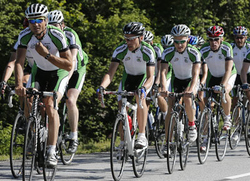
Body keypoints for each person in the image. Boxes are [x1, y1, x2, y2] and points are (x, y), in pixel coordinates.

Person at [15, 3, 72, 167]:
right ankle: (35, 131)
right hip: (39, 71)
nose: (35, 24)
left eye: (39, 20)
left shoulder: (56, 34)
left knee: (50, 106)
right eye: (31, 21)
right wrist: (19, 84)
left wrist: (46, 55)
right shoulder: (25, 35)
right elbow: (19, 62)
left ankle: (51, 151)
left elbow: (68, 65)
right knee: (27, 98)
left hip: (58, 73)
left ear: (46, 20)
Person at [97, 22, 155, 150]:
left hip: (144, 78)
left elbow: (151, 76)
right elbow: (110, 74)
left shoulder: (147, 50)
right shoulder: (120, 50)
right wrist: (102, 86)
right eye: (126, 38)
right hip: (128, 78)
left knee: (141, 99)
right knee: (121, 107)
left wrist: (144, 89)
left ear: (140, 38)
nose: (128, 42)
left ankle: (142, 135)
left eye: (131, 39)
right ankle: (123, 141)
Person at [48, 10, 88, 154]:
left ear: (63, 25)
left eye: (56, 25)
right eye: (50, 25)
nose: (53, 28)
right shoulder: (48, 35)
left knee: (70, 100)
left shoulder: (71, 35)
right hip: (59, 69)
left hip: (76, 70)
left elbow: (72, 61)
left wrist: (65, 82)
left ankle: (74, 136)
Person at [161, 24, 201, 156]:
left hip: (191, 80)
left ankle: (191, 124)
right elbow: (163, 72)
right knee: (170, 109)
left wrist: (190, 89)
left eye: (182, 41)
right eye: (176, 42)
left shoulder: (193, 52)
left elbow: (196, 74)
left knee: (189, 98)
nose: (179, 45)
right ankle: (167, 142)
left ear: (187, 39)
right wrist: (163, 87)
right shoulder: (167, 52)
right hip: (176, 80)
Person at [200, 26, 236, 133]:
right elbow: (197, 68)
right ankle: (206, 136)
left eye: (216, 39)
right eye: (211, 39)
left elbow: (228, 70)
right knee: (207, 106)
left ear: (221, 39)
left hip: (228, 74)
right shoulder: (203, 50)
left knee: (224, 92)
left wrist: (222, 85)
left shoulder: (227, 48)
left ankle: (227, 118)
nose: (213, 42)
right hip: (213, 76)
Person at [144, 31, 169, 123]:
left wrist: (156, 84)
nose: (147, 45)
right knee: (145, 98)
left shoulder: (157, 49)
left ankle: (166, 116)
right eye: (145, 42)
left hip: (160, 73)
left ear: (152, 42)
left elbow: (160, 69)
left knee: (159, 94)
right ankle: (149, 120)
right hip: (149, 74)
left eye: (149, 42)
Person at [230, 26, 250, 109]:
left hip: (248, 73)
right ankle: (236, 121)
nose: (239, 40)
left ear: (245, 37)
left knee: (248, 96)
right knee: (235, 99)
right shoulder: (231, 47)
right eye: (237, 37)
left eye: (241, 37)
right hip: (235, 75)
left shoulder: (249, 47)